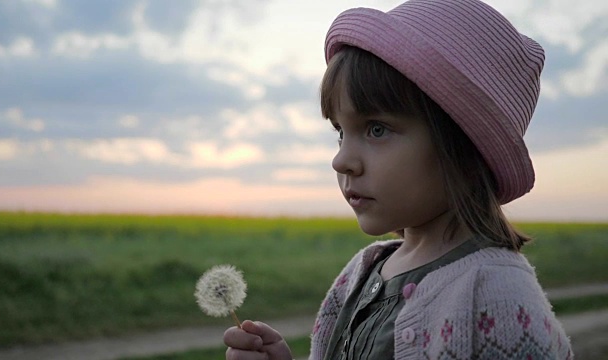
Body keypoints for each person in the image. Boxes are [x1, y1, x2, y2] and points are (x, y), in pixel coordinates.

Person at [223, 0, 574, 358]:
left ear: (465, 150)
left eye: (376, 129)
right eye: (341, 132)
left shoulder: (498, 295)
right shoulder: (360, 273)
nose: (341, 160)